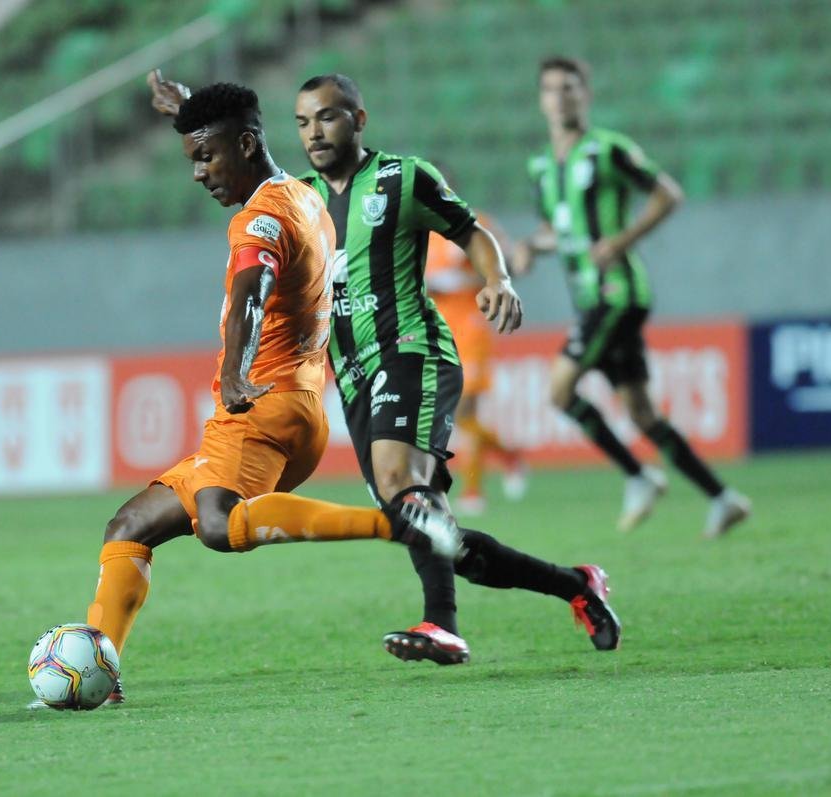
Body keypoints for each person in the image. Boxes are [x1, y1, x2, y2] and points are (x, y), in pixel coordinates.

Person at [144, 73, 618, 673]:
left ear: (358, 120)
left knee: (401, 488)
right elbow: (240, 147)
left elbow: (471, 233)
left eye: (328, 117)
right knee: (435, 530)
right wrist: (187, 110)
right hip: (352, 377)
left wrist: (496, 279)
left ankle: (442, 628)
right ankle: (576, 584)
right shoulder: (302, 197)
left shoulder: (403, 178)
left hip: (411, 351)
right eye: (303, 122)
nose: (315, 132)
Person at [511, 56, 751, 538]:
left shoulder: (608, 150)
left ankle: (640, 477)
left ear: (586, 94)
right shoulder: (541, 167)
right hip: (587, 295)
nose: (562, 97)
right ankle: (723, 497)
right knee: (641, 411)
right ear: (541, 101)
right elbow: (561, 230)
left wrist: (620, 241)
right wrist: (529, 247)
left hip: (618, 292)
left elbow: (668, 194)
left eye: (571, 87)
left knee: (558, 389)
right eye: (552, 89)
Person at [425, 219, 528, 517]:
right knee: (454, 415)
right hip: (439, 329)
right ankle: (509, 455)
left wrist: (455, 282)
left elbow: (505, 268)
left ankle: (473, 491)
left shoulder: (475, 225)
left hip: (471, 326)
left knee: (463, 410)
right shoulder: (421, 231)